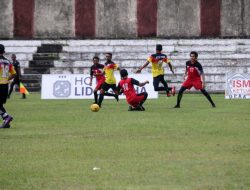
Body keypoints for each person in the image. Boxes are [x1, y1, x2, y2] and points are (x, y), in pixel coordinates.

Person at [0, 44, 17, 128]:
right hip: (5, 85)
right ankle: (6, 122)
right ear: (4, 52)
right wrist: (6, 79)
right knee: (0, 104)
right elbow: (14, 74)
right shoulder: (8, 61)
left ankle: (6, 117)